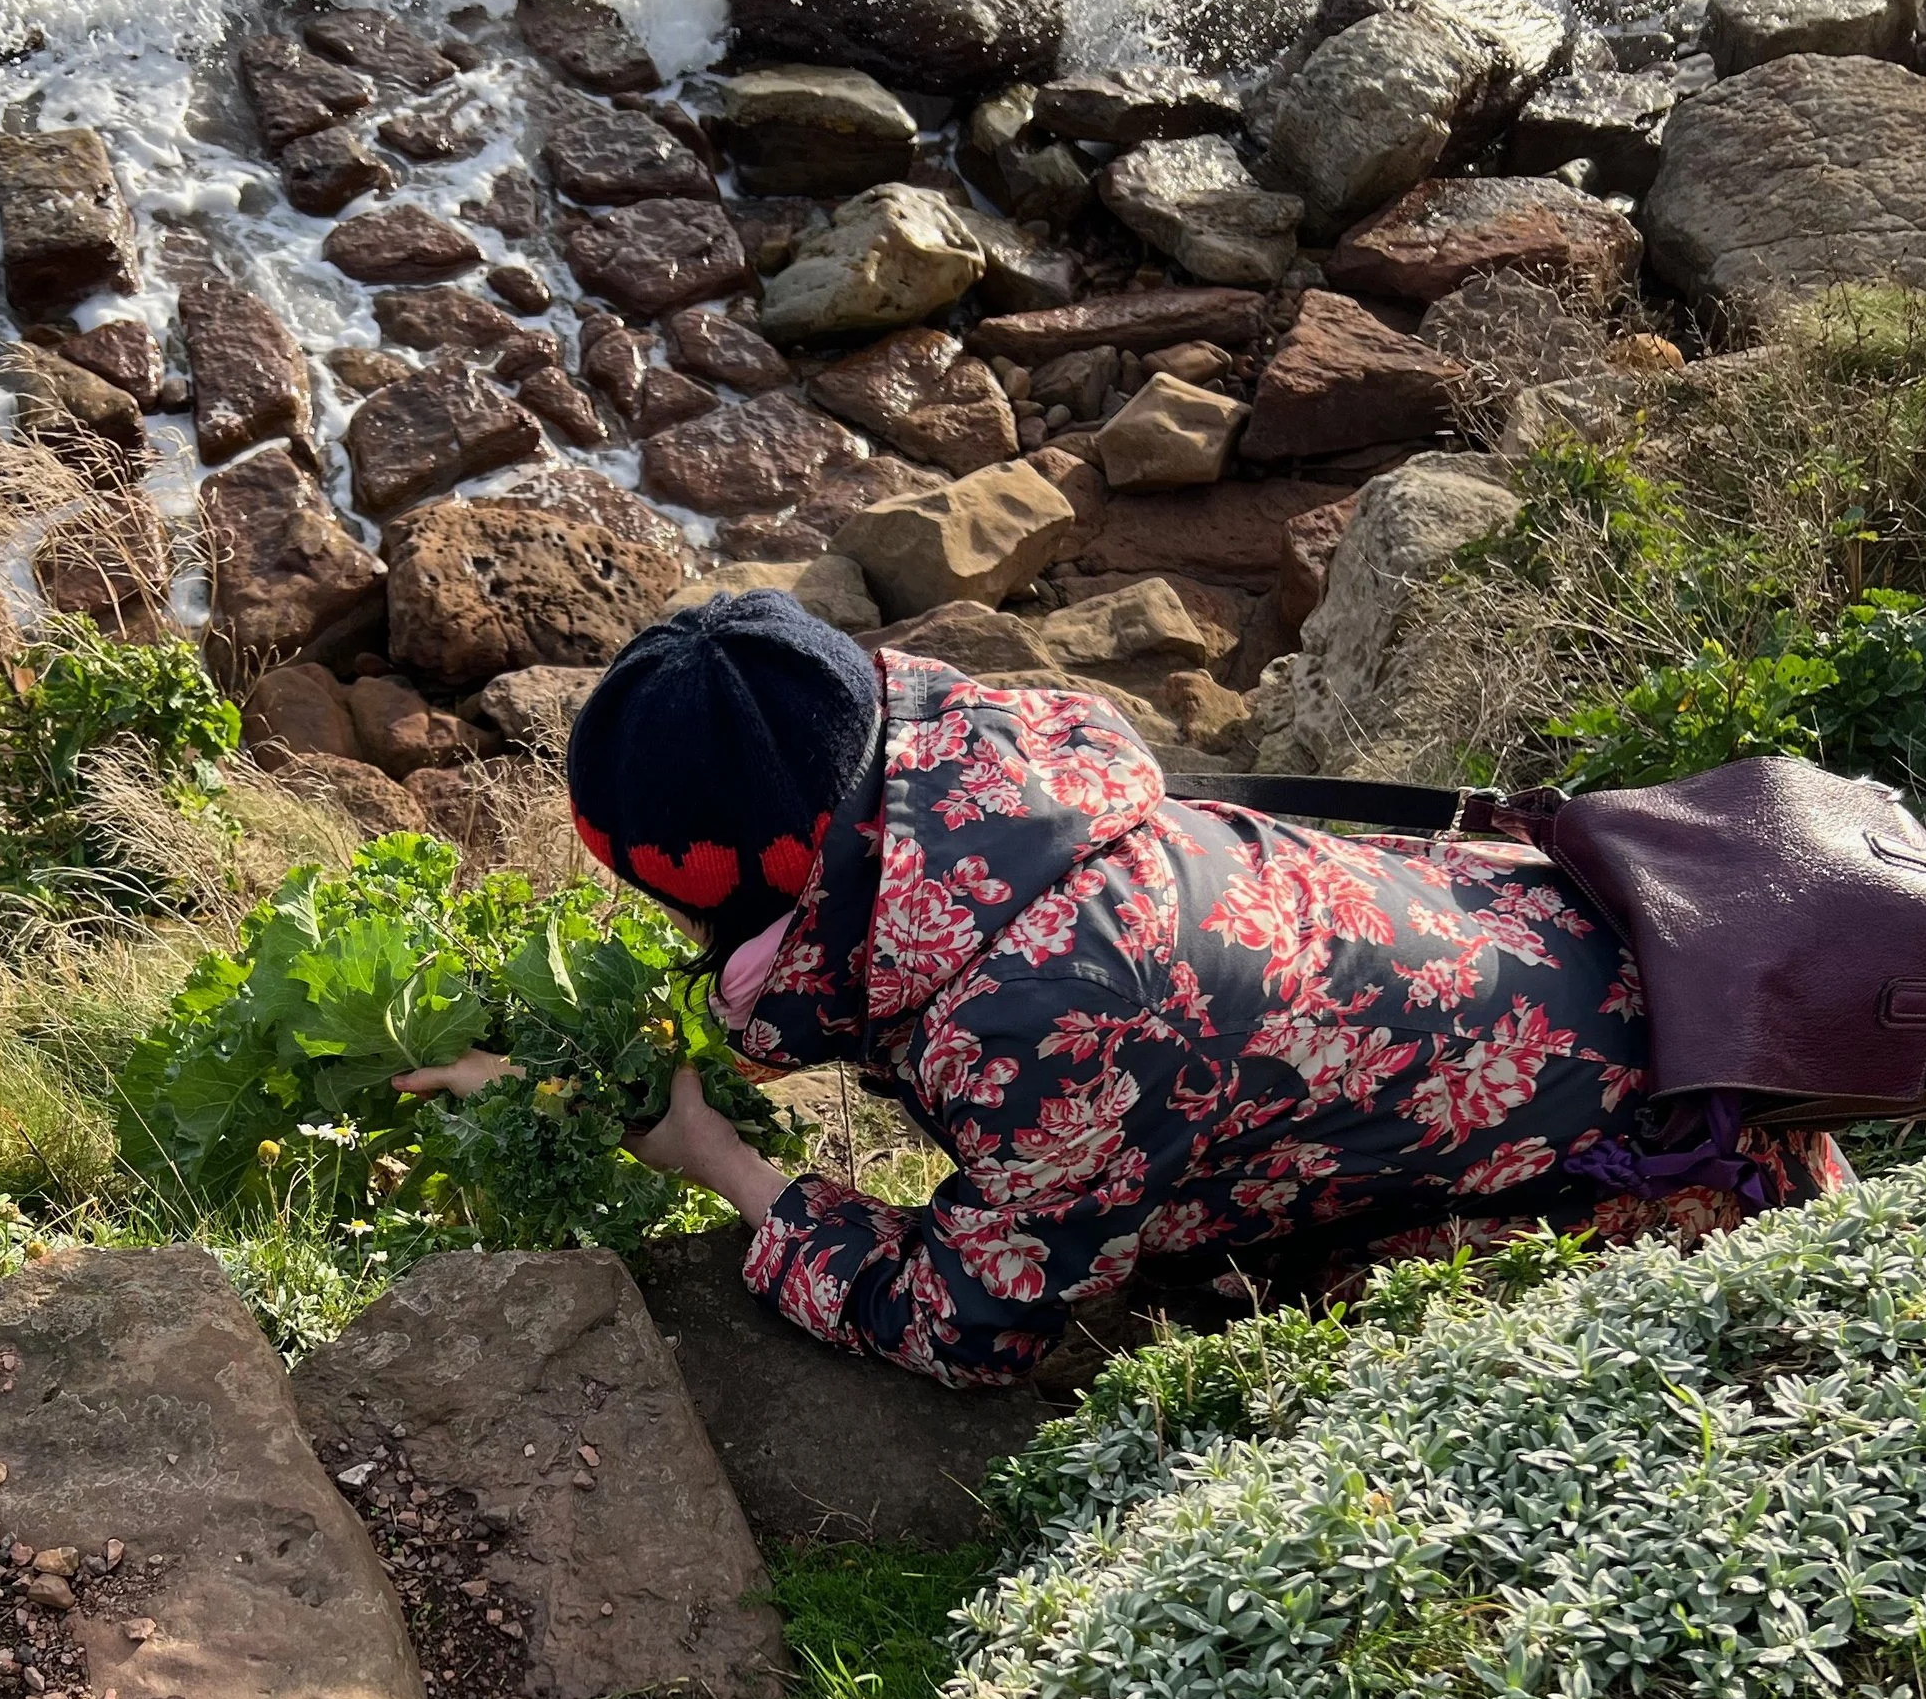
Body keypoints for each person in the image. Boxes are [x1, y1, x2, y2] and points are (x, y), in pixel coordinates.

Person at [399, 591, 1847, 1387]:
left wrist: (722, 1165)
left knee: (1266, 1338)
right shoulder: (983, 778)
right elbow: (846, 968)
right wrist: (544, 1074)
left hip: (1669, 1159)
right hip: (1596, 968)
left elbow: (977, 1325)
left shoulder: (1038, 1016)